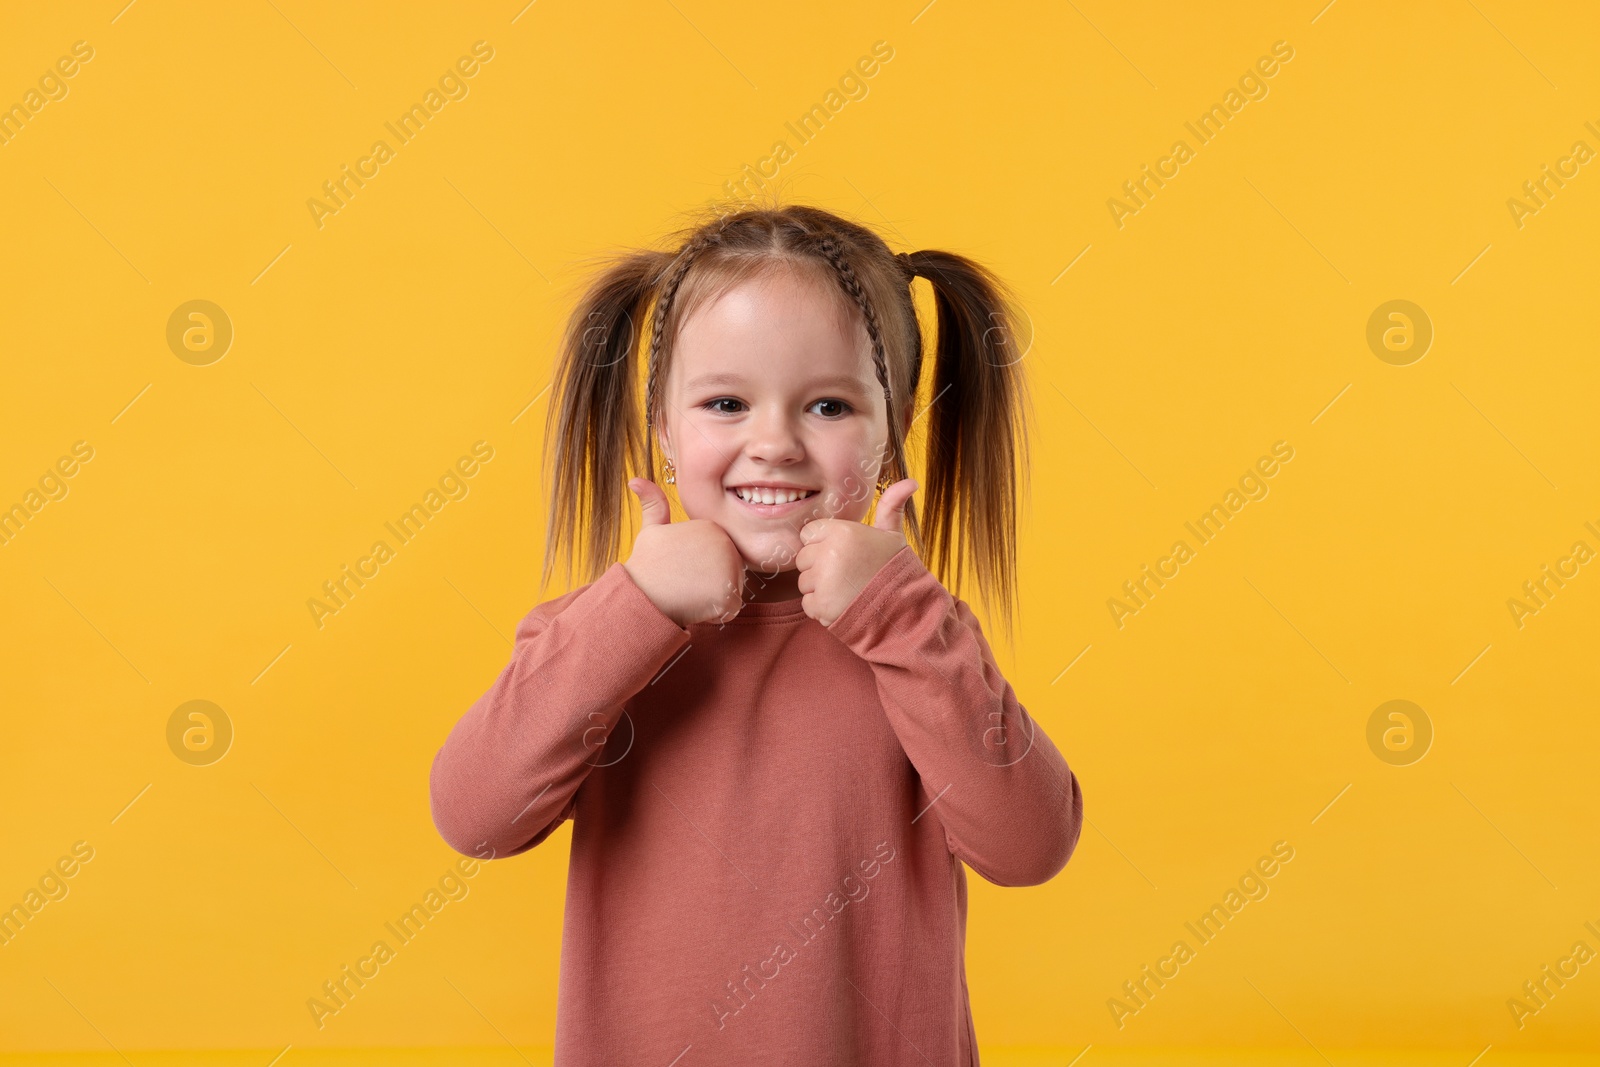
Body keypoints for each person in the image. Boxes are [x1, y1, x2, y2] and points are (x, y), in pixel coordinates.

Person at [429, 200, 1083, 1065]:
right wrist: (638, 605)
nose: (773, 443)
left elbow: (1031, 845)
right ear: (663, 426)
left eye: (828, 406)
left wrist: (899, 615)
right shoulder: (600, 634)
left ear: (894, 431)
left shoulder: (917, 639)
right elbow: (473, 816)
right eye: (727, 402)